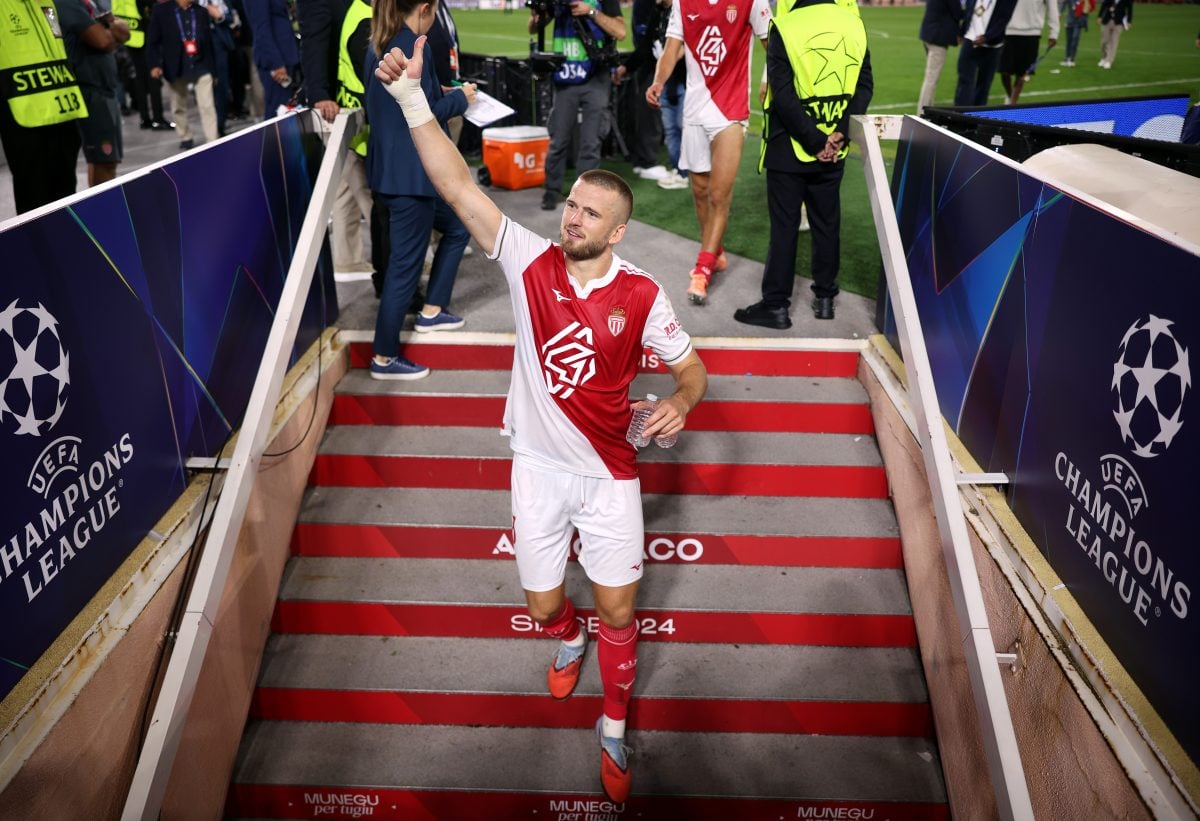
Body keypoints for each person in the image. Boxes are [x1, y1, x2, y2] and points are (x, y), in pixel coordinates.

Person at [374, 40, 709, 803]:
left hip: (611, 473)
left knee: (619, 608)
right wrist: (412, 100)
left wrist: (681, 402)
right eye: (571, 206)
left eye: (590, 213)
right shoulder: (528, 259)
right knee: (545, 606)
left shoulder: (643, 294)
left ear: (616, 232)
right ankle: (567, 637)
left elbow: (692, 369)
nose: (572, 218)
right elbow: (458, 186)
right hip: (538, 469)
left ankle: (614, 725)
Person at [735, 0, 871, 328]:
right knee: (827, 223)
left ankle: (776, 306)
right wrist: (838, 133)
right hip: (835, 145)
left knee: (785, 226)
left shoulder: (786, 25)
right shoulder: (853, 23)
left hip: (789, 146)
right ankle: (825, 299)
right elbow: (864, 85)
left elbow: (782, 95)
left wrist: (814, 140)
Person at [365, 0, 476, 380]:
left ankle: (432, 310)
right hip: (410, 178)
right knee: (404, 270)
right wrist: (461, 98)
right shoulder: (411, 45)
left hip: (394, 172)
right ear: (426, 8)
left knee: (459, 226)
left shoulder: (381, 41)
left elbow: (406, 100)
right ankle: (384, 357)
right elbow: (422, 114)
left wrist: (438, 91)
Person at [646, 0, 772, 305]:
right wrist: (658, 81)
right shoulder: (682, 3)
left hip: (731, 112)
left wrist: (768, 79)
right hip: (694, 110)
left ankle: (702, 269)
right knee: (700, 191)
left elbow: (773, 43)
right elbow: (672, 48)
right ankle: (715, 251)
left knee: (719, 194)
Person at [297, 0, 376, 274]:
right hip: (336, 105)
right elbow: (313, 41)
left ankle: (347, 259)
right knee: (366, 188)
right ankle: (401, 261)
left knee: (345, 186)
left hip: (345, 100)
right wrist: (319, 94)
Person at [531, 0, 627, 212]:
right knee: (558, 139)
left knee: (591, 142)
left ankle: (584, 195)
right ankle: (552, 189)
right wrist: (541, 10)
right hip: (565, 76)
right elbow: (533, 27)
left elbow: (621, 32)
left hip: (596, 75)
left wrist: (590, 11)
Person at [0, 0, 88, 213]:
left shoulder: (47, 3)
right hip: (23, 117)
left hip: (64, 113)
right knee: (34, 201)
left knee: (66, 198)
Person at [58, 0, 131, 186]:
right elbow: (103, 41)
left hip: (105, 88)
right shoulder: (67, 3)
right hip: (89, 90)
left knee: (108, 160)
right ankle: (103, 203)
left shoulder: (91, 4)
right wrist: (109, 29)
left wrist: (108, 25)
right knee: (103, 160)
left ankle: (102, 202)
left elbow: (125, 33)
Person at [146, 0, 223, 148]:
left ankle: (212, 140)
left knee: (207, 105)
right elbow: (152, 42)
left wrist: (213, 71)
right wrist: (154, 65)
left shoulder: (201, 11)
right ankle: (185, 136)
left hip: (201, 64)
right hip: (176, 65)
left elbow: (209, 43)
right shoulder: (161, 11)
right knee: (178, 105)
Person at [614, 0, 668, 182]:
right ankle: (647, 162)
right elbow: (646, 43)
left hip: (649, 62)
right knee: (650, 113)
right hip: (652, 64)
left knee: (645, 112)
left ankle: (642, 160)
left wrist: (628, 66)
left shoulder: (645, 6)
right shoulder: (649, 6)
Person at [953, 0, 1019, 106]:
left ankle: (977, 113)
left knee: (984, 84)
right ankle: (960, 112)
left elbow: (1004, 19)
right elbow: (969, 10)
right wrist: (962, 31)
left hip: (992, 45)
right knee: (964, 80)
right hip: (970, 40)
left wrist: (986, 37)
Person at [245, 0, 301, 118]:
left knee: (286, 109)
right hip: (276, 61)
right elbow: (262, 29)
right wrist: (276, 64)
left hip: (285, 56)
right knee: (277, 112)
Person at [998, 0, 1057, 104]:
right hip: (1007, 31)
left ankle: (1012, 103)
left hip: (1032, 33)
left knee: (1022, 73)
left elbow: (1052, 7)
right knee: (1004, 71)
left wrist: (1054, 33)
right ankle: (1010, 96)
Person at [916, 0, 964, 113]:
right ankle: (922, 113)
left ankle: (927, 110)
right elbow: (958, 13)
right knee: (931, 79)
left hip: (928, 34)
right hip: (938, 38)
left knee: (931, 77)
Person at [1096, 0, 1131, 69]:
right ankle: (1104, 57)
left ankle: (1109, 61)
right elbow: (1103, 5)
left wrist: (1129, 21)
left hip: (1118, 23)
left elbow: (1130, 9)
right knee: (1104, 41)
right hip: (1107, 21)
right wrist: (1099, 16)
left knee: (1114, 42)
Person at [1058, 0, 1094, 67]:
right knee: (1069, 40)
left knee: (1075, 38)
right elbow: (1063, 3)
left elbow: (1088, 9)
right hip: (1070, 20)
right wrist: (1059, 13)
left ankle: (1072, 59)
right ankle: (1067, 58)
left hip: (1079, 20)